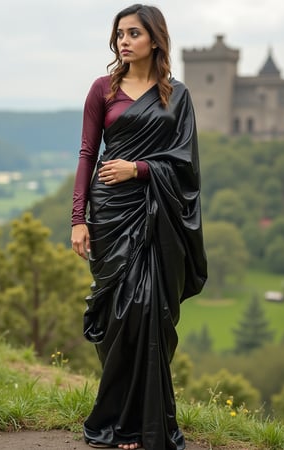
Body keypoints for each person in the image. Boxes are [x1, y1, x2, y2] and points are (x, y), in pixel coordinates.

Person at [71, 4, 207, 450]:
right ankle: (117, 418)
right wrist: (77, 219)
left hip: (159, 215)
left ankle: (140, 426)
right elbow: (88, 154)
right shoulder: (101, 90)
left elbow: (185, 166)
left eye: (133, 33)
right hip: (109, 213)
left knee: (152, 312)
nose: (123, 41)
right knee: (117, 316)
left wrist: (141, 169)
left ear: (154, 39)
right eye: (119, 34)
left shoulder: (177, 96)